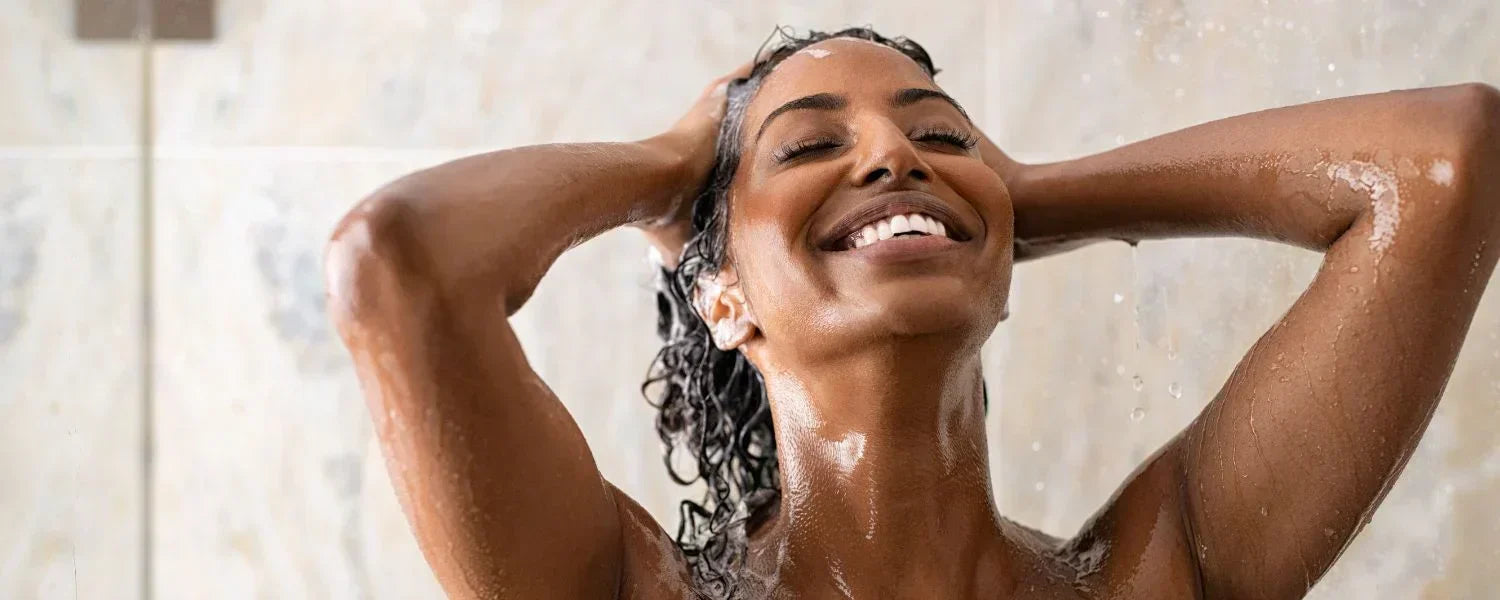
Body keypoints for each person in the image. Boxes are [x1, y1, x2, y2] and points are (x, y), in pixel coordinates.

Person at [323, 27, 1500, 599]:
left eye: (937, 133)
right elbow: (398, 265)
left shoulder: (1154, 575)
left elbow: (1448, 162)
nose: (893, 153)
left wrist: (1011, 198)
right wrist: (674, 165)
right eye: (810, 148)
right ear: (722, 296)